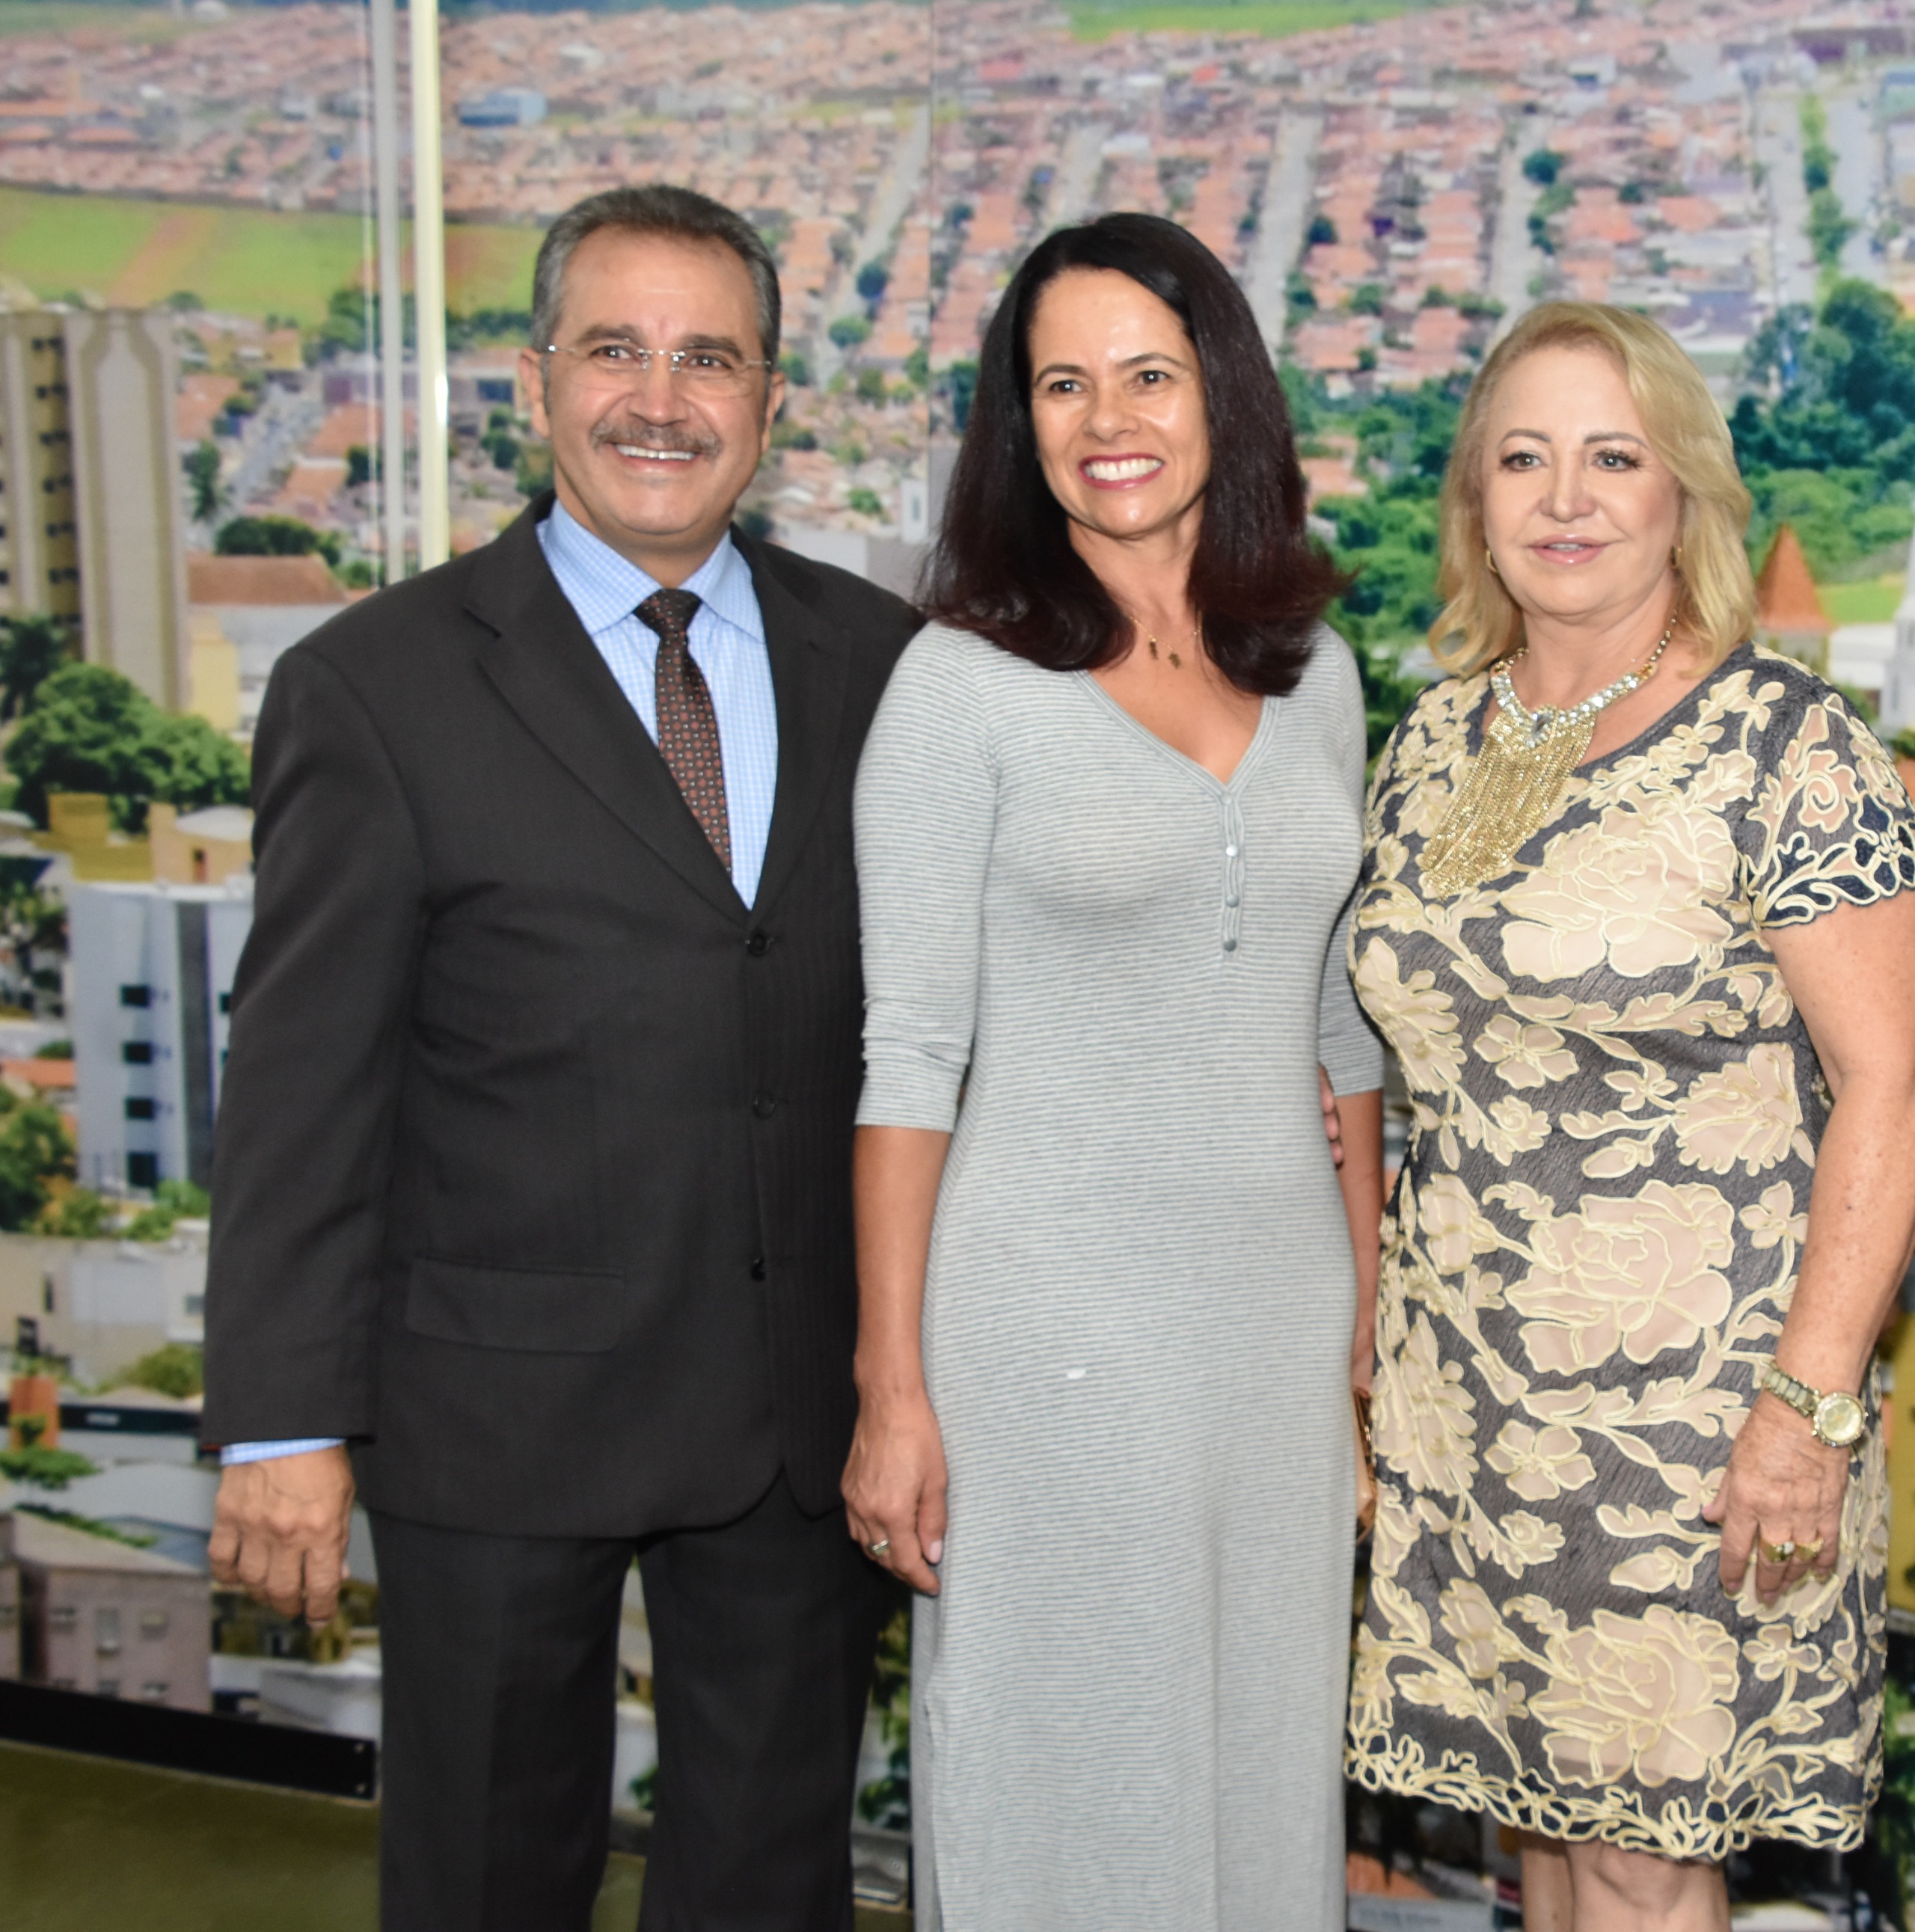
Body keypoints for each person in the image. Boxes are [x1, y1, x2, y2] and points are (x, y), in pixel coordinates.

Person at [200, 185, 918, 1926]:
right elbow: (303, 1080)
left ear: (767, 401)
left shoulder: (884, 665)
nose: (658, 400)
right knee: (487, 1881)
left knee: (769, 1885)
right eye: (614, 349)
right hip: (494, 1413)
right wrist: (282, 1418)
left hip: (793, 1415)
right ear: (535, 382)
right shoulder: (374, 686)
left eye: (708, 359)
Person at [1343, 301, 1915, 1932]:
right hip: (1465, 1412)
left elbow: (1897, 1082)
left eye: (1613, 457)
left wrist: (1807, 1412)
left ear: (1685, 490)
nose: (1565, 498)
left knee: (1635, 1860)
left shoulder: (1789, 744)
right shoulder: (1432, 743)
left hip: (1695, 1428)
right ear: (1474, 500)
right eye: (1522, 459)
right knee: (1541, 1843)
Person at [842, 211, 1386, 1931]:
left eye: (1147, 373)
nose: (1107, 418)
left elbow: (1340, 1026)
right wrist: (891, 1388)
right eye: (1061, 384)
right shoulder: (959, 687)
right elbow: (908, 1056)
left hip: (1278, 1326)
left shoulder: (1318, 676)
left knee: (1260, 1761)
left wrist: (1367, 1314)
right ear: (1020, 425)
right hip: (1049, 1328)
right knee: (1070, 1767)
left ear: (1224, 393)